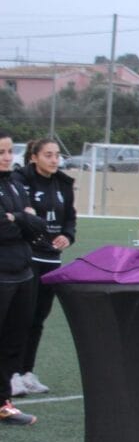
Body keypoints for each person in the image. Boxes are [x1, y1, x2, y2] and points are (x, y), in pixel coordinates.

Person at [11, 137, 76, 396]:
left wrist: (67, 236)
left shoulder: (63, 184)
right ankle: (11, 374)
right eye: (48, 155)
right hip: (29, 258)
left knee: (38, 318)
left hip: (52, 260)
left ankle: (27, 372)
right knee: (20, 318)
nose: (54, 160)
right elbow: (23, 220)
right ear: (34, 157)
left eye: (57, 155)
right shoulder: (20, 182)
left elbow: (69, 218)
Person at [0, 130, 38, 426]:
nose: (7, 157)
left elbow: (35, 225)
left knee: (15, 340)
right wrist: (20, 219)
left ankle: (4, 403)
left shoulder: (14, 183)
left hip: (23, 273)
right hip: (2, 275)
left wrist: (20, 218)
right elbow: (3, 229)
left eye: (9, 151)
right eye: (1, 152)